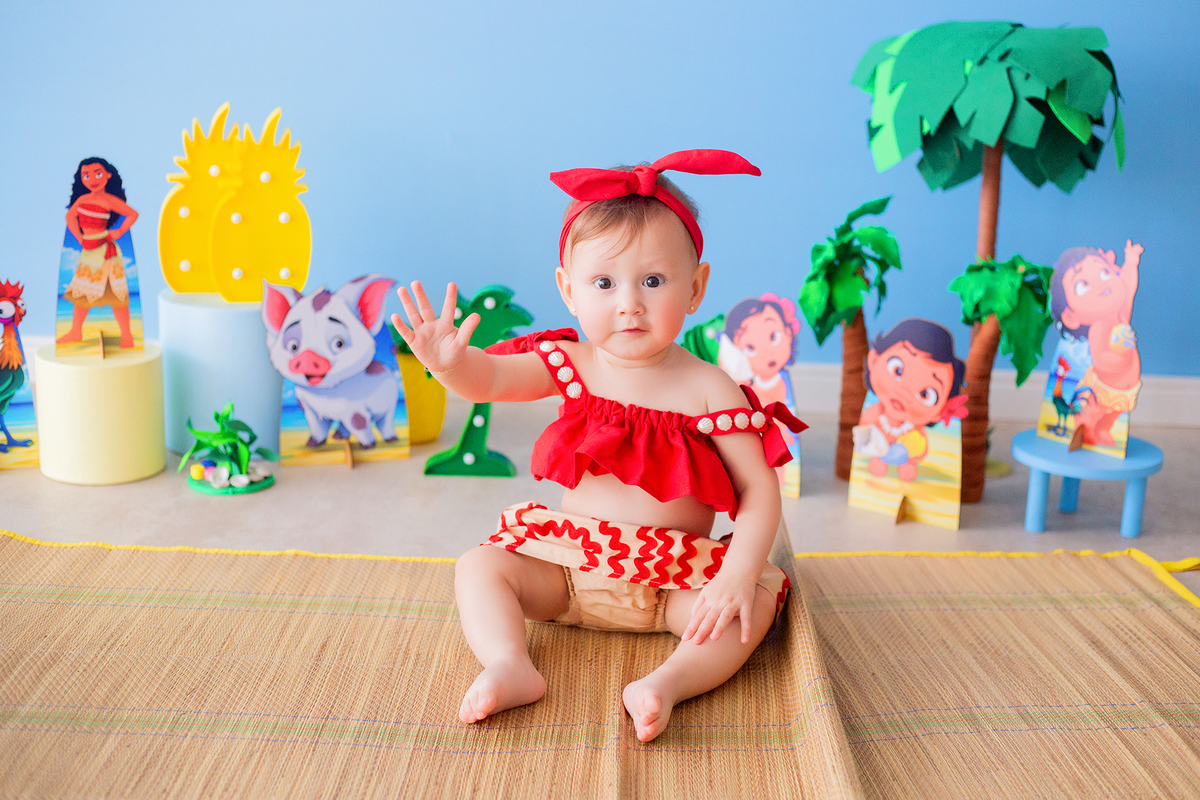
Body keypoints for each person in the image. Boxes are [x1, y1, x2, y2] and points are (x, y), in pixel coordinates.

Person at [391, 150, 804, 743]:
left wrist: (736, 575)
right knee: (479, 567)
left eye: (653, 281)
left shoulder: (709, 388)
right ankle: (510, 663)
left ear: (696, 287)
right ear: (568, 289)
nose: (628, 302)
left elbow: (759, 488)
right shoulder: (573, 363)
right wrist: (452, 368)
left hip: (672, 584)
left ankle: (668, 682)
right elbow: (494, 381)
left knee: (753, 606)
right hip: (570, 571)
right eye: (604, 283)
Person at [1048, 242, 1143, 447]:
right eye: (1083, 284)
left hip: (1125, 388)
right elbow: (1101, 359)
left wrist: (1131, 262)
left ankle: (1102, 430)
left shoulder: (1120, 316)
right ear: (1071, 316)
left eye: (1104, 273)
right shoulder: (1100, 327)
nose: (1101, 284)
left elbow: (1129, 287)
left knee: (1115, 413)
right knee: (1097, 411)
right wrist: (1122, 355)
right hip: (1104, 388)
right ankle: (1086, 430)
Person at [852, 318, 966, 482]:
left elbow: (922, 449)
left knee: (909, 465)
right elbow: (864, 427)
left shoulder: (915, 430)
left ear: (941, 410)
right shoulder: (875, 413)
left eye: (926, 394)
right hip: (877, 451)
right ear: (874, 360)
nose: (904, 392)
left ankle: (906, 466)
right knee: (875, 465)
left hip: (905, 456)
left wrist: (911, 454)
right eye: (897, 370)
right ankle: (878, 462)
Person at [719, 294, 801, 485]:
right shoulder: (746, 383)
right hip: (753, 434)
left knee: (776, 466)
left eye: (773, 336)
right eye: (750, 347)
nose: (767, 352)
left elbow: (774, 405)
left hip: (773, 432)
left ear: (788, 333)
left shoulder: (778, 382)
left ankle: (778, 483)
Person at [58, 157, 138, 348]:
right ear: (81, 179)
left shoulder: (109, 200)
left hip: (106, 251)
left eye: (98, 173)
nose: (93, 179)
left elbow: (132, 214)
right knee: (81, 292)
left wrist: (118, 231)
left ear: (108, 175)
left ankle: (126, 334)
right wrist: (78, 236)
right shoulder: (83, 199)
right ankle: (75, 331)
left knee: (116, 294)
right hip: (88, 250)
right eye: (86, 175)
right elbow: (70, 217)